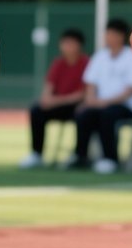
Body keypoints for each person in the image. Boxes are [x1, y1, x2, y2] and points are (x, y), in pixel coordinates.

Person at [72, 20, 132, 174]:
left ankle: (110, 159)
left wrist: (105, 102)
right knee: (84, 114)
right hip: (101, 105)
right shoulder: (100, 56)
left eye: (113, 34)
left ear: (122, 36)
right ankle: (81, 157)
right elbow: (90, 83)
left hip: (127, 107)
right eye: (107, 33)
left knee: (108, 114)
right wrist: (91, 100)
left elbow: (131, 89)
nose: (109, 37)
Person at [20, 28, 88, 169]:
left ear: (79, 45)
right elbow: (48, 88)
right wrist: (46, 100)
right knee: (37, 110)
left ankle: (79, 155)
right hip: (59, 105)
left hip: (77, 105)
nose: (67, 47)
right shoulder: (58, 63)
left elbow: (83, 94)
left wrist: (56, 101)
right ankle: (36, 154)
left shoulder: (86, 63)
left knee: (84, 114)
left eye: (71, 43)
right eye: (64, 43)